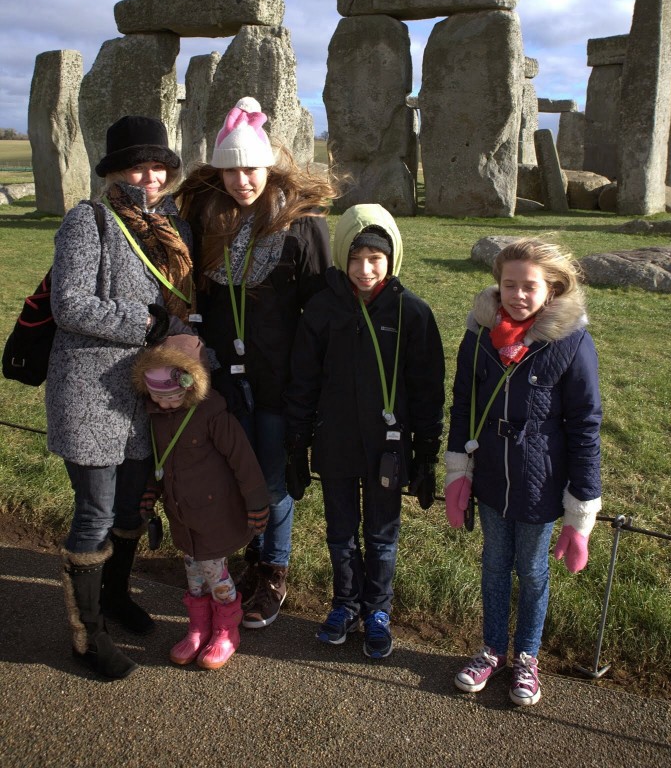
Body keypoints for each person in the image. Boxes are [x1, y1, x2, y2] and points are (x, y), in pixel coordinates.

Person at [176, 96, 336, 629]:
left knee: (272, 478)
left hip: (278, 375)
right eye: (231, 169)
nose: (243, 180)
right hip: (222, 373)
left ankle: (273, 570)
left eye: (251, 168)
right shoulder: (205, 216)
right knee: (232, 472)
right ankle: (246, 561)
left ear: (268, 165)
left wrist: (312, 383)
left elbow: (317, 308)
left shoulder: (301, 223)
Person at [48, 115, 194, 680]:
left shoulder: (161, 226)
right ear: (114, 171)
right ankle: (88, 637)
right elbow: (72, 304)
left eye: (159, 165)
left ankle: (114, 597)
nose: (151, 175)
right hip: (90, 394)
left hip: (139, 395)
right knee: (95, 513)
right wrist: (149, 322)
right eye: (139, 165)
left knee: (133, 505)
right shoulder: (90, 223)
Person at [445, 237, 602, 707]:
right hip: (493, 475)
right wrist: (458, 471)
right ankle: (492, 648)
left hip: (541, 483)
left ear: (551, 288)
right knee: (494, 563)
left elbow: (586, 425)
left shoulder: (571, 342)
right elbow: (464, 404)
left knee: (532, 572)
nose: (517, 294)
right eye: (508, 284)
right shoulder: (479, 334)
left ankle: (527, 657)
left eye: (528, 286)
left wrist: (581, 514)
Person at [284, 204, 445, 659]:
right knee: (339, 531)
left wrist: (427, 453)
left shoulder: (412, 312)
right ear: (341, 256)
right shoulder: (321, 308)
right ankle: (344, 603)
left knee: (381, 534)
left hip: (387, 447)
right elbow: (303, 381)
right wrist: (296, 446)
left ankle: (377, 609)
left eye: (376, 258)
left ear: (392, 257)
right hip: (334, 440)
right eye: (355, 258)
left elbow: (427, 387)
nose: (365, 269)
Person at [132, 332, 270, 670]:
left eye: (171, 398)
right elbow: (158, 460)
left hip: (214, 513)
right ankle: (198, 627)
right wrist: (149, 492)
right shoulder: (157, 416)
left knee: (215, 573)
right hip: (182, 515)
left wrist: (257, 503)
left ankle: (226, 630)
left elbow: (244, 462)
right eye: (157, 397)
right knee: (194, 574)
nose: (164, 404)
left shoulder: (214, 416)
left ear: (192, 385)